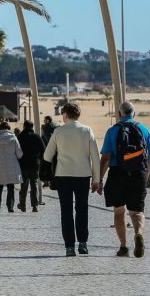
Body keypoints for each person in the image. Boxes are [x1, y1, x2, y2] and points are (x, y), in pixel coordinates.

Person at [99, 101, 150, 258]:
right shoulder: (144, 129)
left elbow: (106, 158)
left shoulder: (112, 131)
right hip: (138, 174)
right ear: (134, 113)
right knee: (137, 211)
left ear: (119, 114)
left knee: (119, 211)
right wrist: (145, 173)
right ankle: (138, 233)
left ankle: (123, 247)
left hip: (117, 174)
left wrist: (98, 179)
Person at [43, 102, 101, 256]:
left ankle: (69, 246)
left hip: (63, 175)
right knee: (82, 209)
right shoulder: (87, 130)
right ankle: (83, 243)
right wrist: (97, 179)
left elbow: (47, 156)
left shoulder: (58, 132)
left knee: (66, 211)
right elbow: (95, 157)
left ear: (65, 115)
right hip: (83, 175)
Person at [0, 122, 23, 213]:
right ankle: (10, 206)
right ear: (9, 128)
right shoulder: (13, 137)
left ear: (0, 128)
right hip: (12, 164)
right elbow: (19, 154)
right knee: (11, 186)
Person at [16, 120, 46, 212]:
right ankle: (34, 206)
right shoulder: (37, 137)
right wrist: (39, 160)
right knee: (34, 185)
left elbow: (16, 150)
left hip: (23, 165)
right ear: (32, 127)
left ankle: (22, 205)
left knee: (23, 186)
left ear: (24, 127)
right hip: (34, 165)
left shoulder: (19, 137)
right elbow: (43, 150)